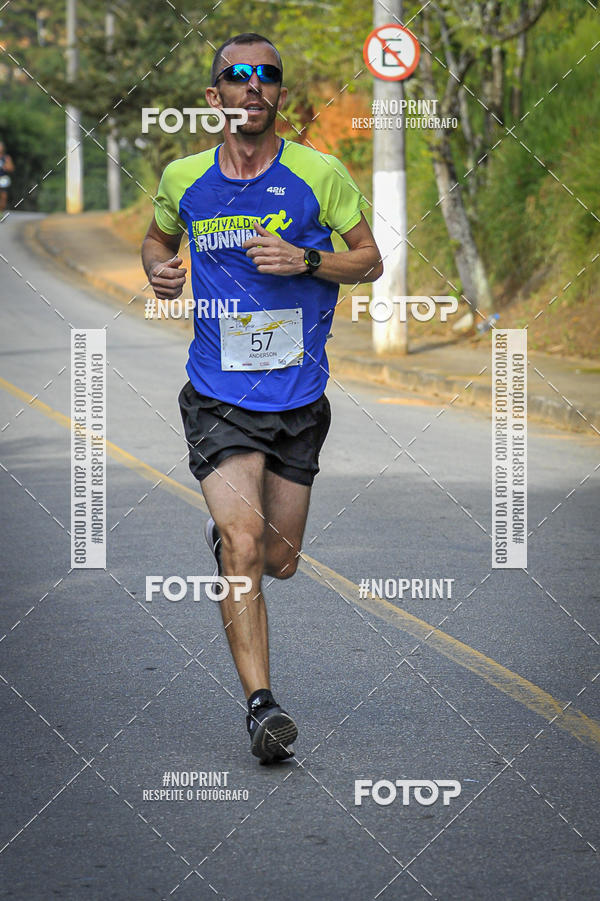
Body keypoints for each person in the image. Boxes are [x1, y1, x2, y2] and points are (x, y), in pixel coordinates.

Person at [141, 33, 383, 764]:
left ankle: (233, 540)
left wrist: (308, 258)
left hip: (298, 396)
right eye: (236, 77)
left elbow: (370, 260)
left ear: (279, 93)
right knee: (245, 550)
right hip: (217, 393)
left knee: (278, 558)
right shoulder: (184, 177)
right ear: (213, 97)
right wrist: (160, 271)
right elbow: (155, 242)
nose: (253, 87)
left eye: (266, 77)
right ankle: (262, 707)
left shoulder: (320, 173)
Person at [0, 141, 15, 213]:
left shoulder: (6, 158)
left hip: (3, 178)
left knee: (3, 196)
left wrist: (5, 167)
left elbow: (11, 168)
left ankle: (1, 211)